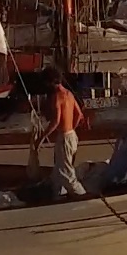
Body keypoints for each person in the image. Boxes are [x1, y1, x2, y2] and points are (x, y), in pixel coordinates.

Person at [26, 68, 88, 198]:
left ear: (50, 82)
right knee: (58, 172)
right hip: (72, 136)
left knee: (66, 173)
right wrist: (71, 128)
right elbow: (78, 114)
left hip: (65, 138)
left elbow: (56, 121)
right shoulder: (69, 94)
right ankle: (58, 195)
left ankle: (82, 196)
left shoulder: (56, 97)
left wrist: (42, 138)